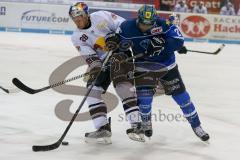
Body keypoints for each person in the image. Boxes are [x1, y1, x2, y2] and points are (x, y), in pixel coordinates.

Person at [106, 4, 210, 142]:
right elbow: (117, 40)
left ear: (155, 20)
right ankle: (146, 124)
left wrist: (164, 45)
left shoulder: (164, 24)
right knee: (144, 101)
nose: (145, 27)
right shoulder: (126, 27)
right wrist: (112, 41)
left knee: (183, 98)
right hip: (143, 67)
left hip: (167, 66)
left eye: (149, 24)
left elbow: (178, 41)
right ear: (138, 19)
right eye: (143, 23)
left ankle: (197, 126)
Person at [69, 2, 145, 144]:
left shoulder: (101, 16)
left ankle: (137, 125)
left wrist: (115, 36)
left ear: (86, 14)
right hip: (103, 62)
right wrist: (95, 67)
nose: (77, 21)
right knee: (92, 91)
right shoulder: (76, 37)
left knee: (122, 85)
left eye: (79, 17)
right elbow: (90, 56)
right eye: (74, 18)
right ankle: (102, 127)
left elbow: (125, 26)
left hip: (121, 53)